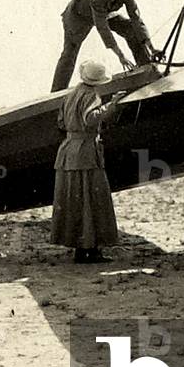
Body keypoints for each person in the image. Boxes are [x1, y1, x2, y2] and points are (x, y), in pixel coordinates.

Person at [50, 60, 126, 263]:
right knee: (91, 199)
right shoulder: (91, 95)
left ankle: (79, 249)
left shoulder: (70, 95)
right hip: (86, 153)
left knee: (74, 200)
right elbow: (91, 118)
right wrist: (112, 105)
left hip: (68, 151)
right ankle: (91, 249)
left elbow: (60, 122)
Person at [51, 0, 157, 92]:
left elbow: (136, 19)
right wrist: (120, 56)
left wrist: (152, 48)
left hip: (104, 12)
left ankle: (145, 64)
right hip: (78, 16)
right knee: (70, 52)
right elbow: (103, 29)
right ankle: (57, 91)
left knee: (129, 28)